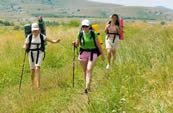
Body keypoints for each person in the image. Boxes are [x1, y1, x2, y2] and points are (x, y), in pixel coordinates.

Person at [24, 23, 61, 89]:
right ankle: (32, 84)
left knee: (37, 68)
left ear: (39, 30)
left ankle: (38, 87)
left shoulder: (41, 36)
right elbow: (26, 45)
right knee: (32, 70)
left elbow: (51, 41)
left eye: (36, 30)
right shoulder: (29, 37)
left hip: (39, 53)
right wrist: (25, 47)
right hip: (31, 54)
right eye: (33, 31)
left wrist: (56, 41)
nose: (35, 32)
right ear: (32, 30)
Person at [73, 19, 104, 94]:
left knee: (89, 69)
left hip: (92, 53)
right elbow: (77, 44)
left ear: (89, 26)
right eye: (83, 26)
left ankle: (86, 87)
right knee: (85, 71)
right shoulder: (80, 34)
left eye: (86, 26)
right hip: (83, 53)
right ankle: (87, 86)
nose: (85, 28)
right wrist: (74, 44)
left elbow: (98, 45)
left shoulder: (93, 34)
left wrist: (102, 54)